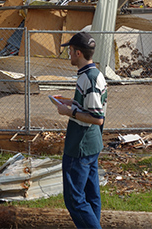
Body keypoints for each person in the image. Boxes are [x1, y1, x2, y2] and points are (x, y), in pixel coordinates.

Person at [54, 32, 107, 229]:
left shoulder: (89, 78)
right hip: (91, 145)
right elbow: (90, 106)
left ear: (78, 53)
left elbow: (97, 118)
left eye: (70, 51)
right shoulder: (92, 74)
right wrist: (71, 102)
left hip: (81, 146)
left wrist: (69, 112)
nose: (69, 55)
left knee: (75, 200)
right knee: (91, 195)